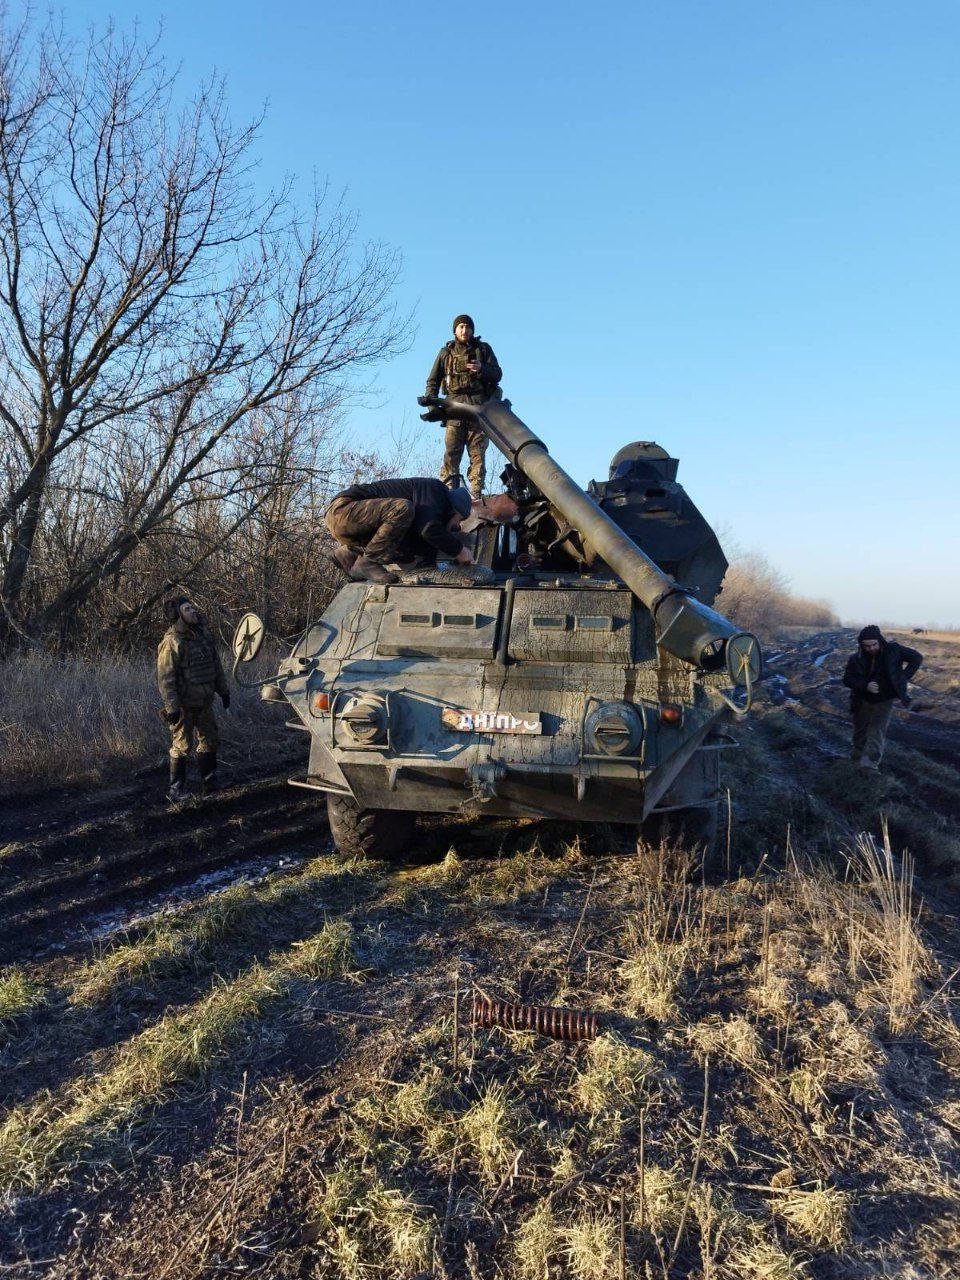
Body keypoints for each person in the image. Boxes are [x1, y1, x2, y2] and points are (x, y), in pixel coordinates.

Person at [325, 477, 474, 584]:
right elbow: (428, 528)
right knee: (402, 509)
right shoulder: (436, 490)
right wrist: (459, 550)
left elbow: (422, 542)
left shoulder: (427, 514)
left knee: (403, 546)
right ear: (456, 509)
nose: (458, 526)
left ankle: (348, 554)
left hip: (355, 524)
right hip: (344, 510)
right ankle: (367, 562)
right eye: (460, 519)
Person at [157, 595, 231, 801]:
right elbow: (166, 678)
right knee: (182, 746)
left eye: (192, 608)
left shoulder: (203, 636)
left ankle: (210, 782)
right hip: (184, 705)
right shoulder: (172, 642)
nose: (193, 611)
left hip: (205, 702)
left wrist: (223, 691)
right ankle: (176, 790)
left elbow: (215, 666)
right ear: (178, 615)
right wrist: (172, 708)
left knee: (210, 740)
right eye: (187, 609)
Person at [424, 314, 502, 499]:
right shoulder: (446, 353)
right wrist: (432, 406)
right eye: (460, 327)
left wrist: (482, 368)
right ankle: (447, 491)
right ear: (455, 330)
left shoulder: (483, 349)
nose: (464, 330)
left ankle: (475, 493)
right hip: (454, 408)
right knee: (452, 452)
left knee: (478, 454)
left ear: (473, 330)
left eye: (468, 327)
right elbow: (433, 381)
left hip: (478, 409)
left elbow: (497, 374)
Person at [841, 625, 922, 770]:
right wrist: (865, 685)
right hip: (861, 699)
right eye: (867, 646)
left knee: (877, 732)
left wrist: (902, 678)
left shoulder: (894, 650)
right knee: (860, 731)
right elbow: (847, 679)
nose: (871, 648)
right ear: (861, 645)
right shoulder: (855, 658)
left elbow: (917, 658)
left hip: (885, 699)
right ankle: (855, 760)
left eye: (874, 644)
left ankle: (870, 766)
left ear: (880, 640)